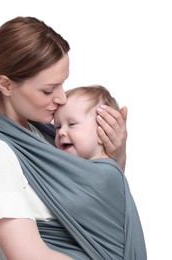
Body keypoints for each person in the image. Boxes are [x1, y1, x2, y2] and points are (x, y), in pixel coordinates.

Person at [0, 16, 130, 260]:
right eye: (48, 90)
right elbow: (28, 256)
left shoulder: (46, 133)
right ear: (6, 85)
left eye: (62, 85)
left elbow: (97, 212)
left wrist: (115, 155)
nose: (62, 98)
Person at [54, 85, 147, 258]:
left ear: (102, 132)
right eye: (57, 127)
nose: (62, 132)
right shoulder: (76, 167)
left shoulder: (106, 173)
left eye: (72, 124)